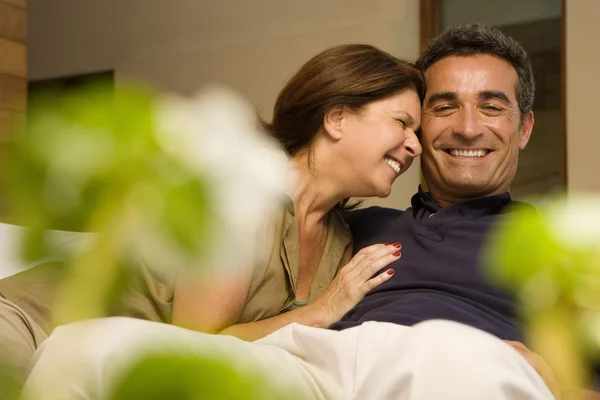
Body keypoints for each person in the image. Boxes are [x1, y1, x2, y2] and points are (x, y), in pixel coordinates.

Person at [22, 25, 563, 400]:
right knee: (87, 345)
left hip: (448, 364)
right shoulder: (351, 226)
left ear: (524, 127)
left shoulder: (556, 242)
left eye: (492, 106)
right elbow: (206, 339)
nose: (465, 127)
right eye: (438, 109)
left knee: (446, 350)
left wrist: (547, 374)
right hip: (307, 364)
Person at [0, 44, 423, 386]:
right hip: (31, 327)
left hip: (104, 369)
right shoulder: (241, 188)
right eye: (402, 123)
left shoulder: (341, 241)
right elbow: (197, 341)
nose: (415, 146)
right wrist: (322, 310)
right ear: (337, 118)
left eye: (417, 133)